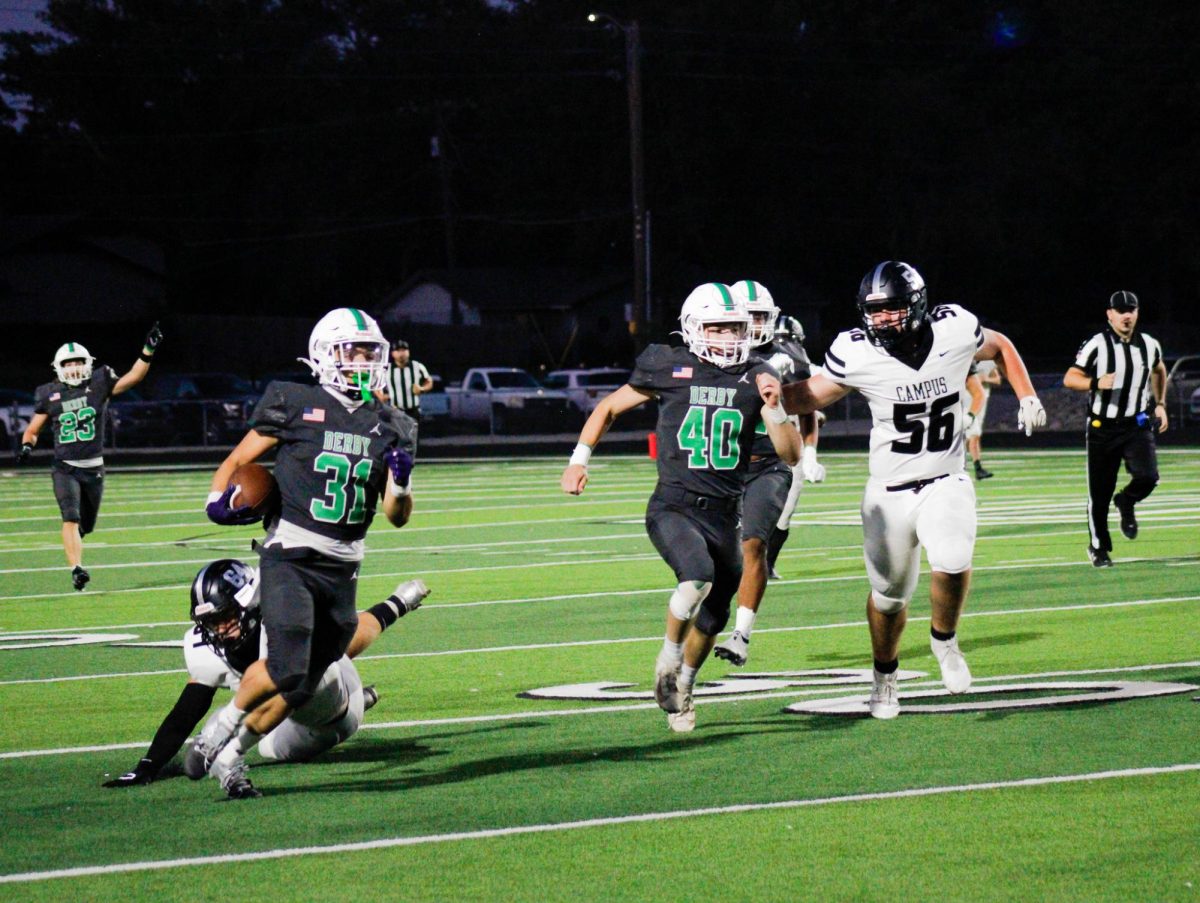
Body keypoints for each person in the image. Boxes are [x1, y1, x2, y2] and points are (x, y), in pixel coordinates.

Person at [781, 261, 1046, 719]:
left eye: (892, 309)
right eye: (874, 310)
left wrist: (1028, 395)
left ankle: (945, 641)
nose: (882, 319)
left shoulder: (955, 328)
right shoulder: (856, 350)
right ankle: (885, 676)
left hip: (946, 477)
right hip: (888, 492)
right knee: (889, 598)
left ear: (918, 305)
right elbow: (812, 394)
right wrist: (763, 398)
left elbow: (999, 345)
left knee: (953, 557)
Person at [195, 307, 417, 798]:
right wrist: (216, 498)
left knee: (303, 683)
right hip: (291, 550)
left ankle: (232, 758)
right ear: (324, 355)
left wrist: (400, 482)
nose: (362, 361)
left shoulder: (394, 426)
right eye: (352, 351)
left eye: (370, 352)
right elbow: (238, 459)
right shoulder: (293, 401)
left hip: (344, 561)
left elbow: (397, 516)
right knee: (290, 661)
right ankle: (218, 730)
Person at [561, 283, 800, 732]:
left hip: (725, 512)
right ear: (693, 328)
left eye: (734, 328)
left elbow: (789, 454)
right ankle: (668, 659)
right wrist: (579, 459)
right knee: (696, 577)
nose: (728, 338)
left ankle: (685, 685)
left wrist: (776, 406)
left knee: (715, 613)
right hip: (674, 505)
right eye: (717, 328)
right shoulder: (668, 364)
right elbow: (610, 406)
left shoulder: (759, 373)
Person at [102, 559, 429, 795]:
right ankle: (361, 694)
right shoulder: (208, 646)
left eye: (226, 616)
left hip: (332, 711)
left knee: (313, 662)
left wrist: (395, 606)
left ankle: (358, 698)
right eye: (212, 622)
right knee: (260, 716)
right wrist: (148, 765)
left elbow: (352, 634)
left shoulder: (281, 615)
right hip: (297, 713)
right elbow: (187, 708)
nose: (221, 629)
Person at [18, 323, 163, 591]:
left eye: (78, 362)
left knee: (86, 524)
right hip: (64, 467)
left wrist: (148, 350)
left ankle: (77, 541)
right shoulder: (50, 394)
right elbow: (33, 429)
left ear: (87, 364)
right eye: (68, 363)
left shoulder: (99, 383)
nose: (73, 367)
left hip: (94, 468)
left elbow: (134, 377)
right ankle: (77, 569)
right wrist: (27, 446)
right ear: (59, 367)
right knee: (70, 517)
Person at [711, 282, 804, 667]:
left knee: (754, 545)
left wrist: (808, 449)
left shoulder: (785, 357)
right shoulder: (710, 358)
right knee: (715, 560)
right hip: (722, 465)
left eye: (760, 317)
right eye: (747, 317)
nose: (754, 324)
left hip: (768, 463)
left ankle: (741, 633)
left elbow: (807, 406)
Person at [1062, 290, 1167, 567]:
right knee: (1099, 494)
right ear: (1110, 315)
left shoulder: (1149, 345)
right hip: (1102, 428)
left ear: (1137, 313)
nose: (1126, 315)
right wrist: (1095, 383)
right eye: (1121, 311)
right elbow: (1070, 377)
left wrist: (1161, 404)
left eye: (1131, 310)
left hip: (1136, 424)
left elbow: (1159, 370)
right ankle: (1098, 547)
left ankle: (1127, 501)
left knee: (1149, 476)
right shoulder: (1097, 344)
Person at [762, 314, 824, 582]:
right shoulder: (750, 362)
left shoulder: (804, 366)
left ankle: (767, 563)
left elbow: (810, 410)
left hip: (790, 446)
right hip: (753, 445)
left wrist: (810, 454)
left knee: (785, 512)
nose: (783, 346)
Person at [964, 359, 1003, 479]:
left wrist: (985, 378)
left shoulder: (988, 362)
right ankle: (975, 467)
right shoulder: (965, 358)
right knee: (972, 433)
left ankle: (974, 467)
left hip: (981, 398)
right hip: (967, 399)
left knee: (974, 434)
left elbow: (997, 380)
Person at [379, 338, 433, 422]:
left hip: (413, 410)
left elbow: (429, 381)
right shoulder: (386, 369)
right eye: (398, 350)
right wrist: (380, 396)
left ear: (408, 352)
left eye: (404, 350)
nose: (401, 353)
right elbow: (376, 384)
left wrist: (422, 389)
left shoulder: (417, 366)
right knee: (397, 434)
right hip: (395, 410)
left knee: (412, 434)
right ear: (393, 353)